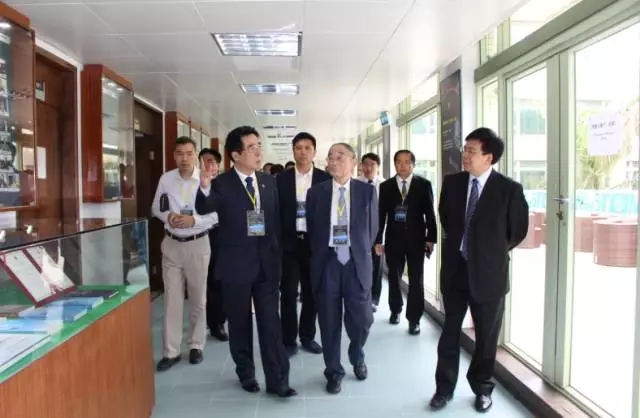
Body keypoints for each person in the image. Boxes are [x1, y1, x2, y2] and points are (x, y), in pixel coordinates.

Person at [430, 128, 529, 412]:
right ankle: (443, 388)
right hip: (455, 271)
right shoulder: (452, 183)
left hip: (489, 275)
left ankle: (482, 388)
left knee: (486, 338)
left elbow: (517, 231)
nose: (465, 155)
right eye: (465, 149)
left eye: (471, 151)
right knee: (449, 333)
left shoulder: (509, 190)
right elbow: (446, 217)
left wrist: (487, 251)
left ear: (489, 157)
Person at [195, 125, 296, 398]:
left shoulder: (268, 181)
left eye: (258, 146)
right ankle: (246, 373)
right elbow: (204, 207)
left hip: (267, 267)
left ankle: (279, 381)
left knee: (270, 325)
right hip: (236, 267)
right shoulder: (221, 184)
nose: (258, 152)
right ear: (236, 155)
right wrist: (204, 187)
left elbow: (275, 223)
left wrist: (278, 258)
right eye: (251, 148)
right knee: (239, 324)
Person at [305, 142, 378, 395]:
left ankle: (357, 354)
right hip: (328, 264)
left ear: (353, 161)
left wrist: (356, 251)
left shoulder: (367, 192)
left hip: (356, 264)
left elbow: (372, 230)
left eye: (340, 156)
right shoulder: (316, 193)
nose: (333, 161)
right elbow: (313, 230)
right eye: (330, 157)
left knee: (362, 319)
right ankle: (334, 371)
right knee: (329, 321)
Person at [152, 136, 218, 372]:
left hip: (197, 243)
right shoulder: (166, 179)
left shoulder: (206, 179)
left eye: (189, 153)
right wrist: (167, 216)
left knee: (198, 298)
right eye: (179, 153)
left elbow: (216, 216)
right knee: (172, 299)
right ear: (174, 156)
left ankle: (196, 345)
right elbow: (156, 207)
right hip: (172, 244)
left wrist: (193, 221)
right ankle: (171, 352)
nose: (184, 158)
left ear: (196, 155)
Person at [277, 132, 330, 356]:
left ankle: (307, 335)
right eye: (298, 148)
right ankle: (288, 340)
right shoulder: (281, 179)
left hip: (314, 245)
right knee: (288, 293)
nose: (303, 152)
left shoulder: (325, 179)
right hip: (289, 244)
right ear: (293, 151)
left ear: (314, 152)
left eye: (307, 148)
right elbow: (275, 212)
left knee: (312, 293)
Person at [376, 150, 437, 335]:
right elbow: (381, 215)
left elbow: (430, 213)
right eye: (399, 162)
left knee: (416, 279)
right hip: (393, 239)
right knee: (394, 277)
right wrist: (378, 239)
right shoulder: (386, 186)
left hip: (416, 240)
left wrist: (431, 238)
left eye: (406, 162)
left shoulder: (423, 185)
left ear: (413, 164)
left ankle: (414, 319)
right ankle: (395, 309)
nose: (402, 165)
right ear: (394, 164)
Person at [198, 147, 228, 342]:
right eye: (203, 161)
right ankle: (206, 322)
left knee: (218, 280)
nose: (207, 165)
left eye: (211, 161)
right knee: (203, 283)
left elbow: (223, 212)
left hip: (219, 236)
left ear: (218, 165)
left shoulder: (223, 185)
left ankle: (218, 323)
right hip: (197, 236)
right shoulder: (194, 184)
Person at [356, 152, 384, 311]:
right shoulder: (355, 183)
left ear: (378, 167)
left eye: (372, 164)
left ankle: (373, 299)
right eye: (365, 164)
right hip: (360, 232)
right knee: (360, 265)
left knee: (377, 266)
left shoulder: (384, 185)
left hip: (379, 233)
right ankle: (361, 296)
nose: (368, 168)